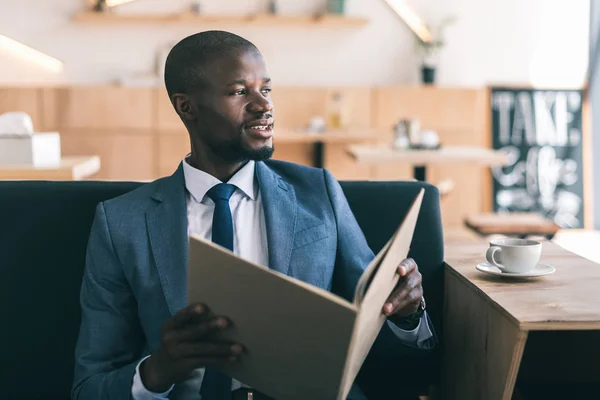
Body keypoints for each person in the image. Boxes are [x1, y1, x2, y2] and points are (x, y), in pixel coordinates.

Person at [72, 30, 436, 400]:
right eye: (239, 92)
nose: (264, 106)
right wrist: (158, 370)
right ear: (187, 107)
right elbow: (89, 388)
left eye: (266, 89)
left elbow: (375, 316)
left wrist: (406, 313)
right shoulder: (122, 223)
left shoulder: (317, 192)